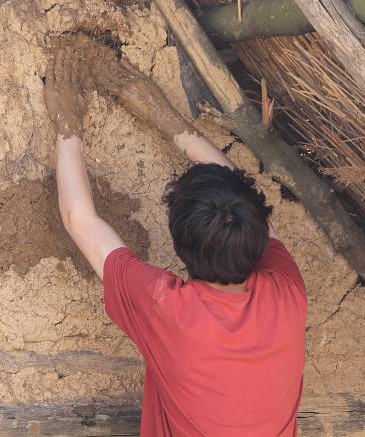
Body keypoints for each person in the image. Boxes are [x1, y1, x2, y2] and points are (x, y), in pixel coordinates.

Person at [43, 38, 307, 436]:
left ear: (179, 248)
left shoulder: (171, 311)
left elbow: (78, 219)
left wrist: (67, 124)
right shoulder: (287, 295)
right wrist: (169, 120)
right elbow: (246, 203)